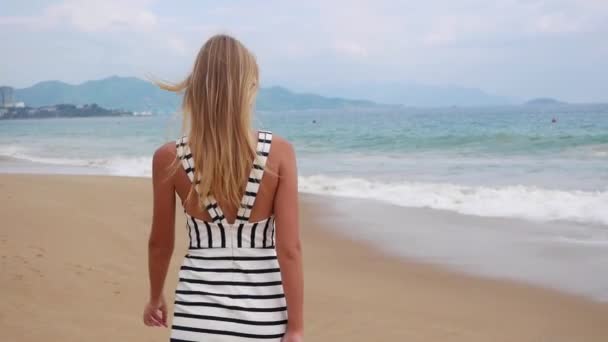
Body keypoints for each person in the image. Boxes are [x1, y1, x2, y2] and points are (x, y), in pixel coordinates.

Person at [143, 34, 304, 342]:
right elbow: (289, 250)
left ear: (197, 88)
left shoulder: (169, 157)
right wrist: (295, 327)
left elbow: (160, 244)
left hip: (195, 320)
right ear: (249, 88)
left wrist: (155, 296)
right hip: (263, 319)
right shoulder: (279, 152)